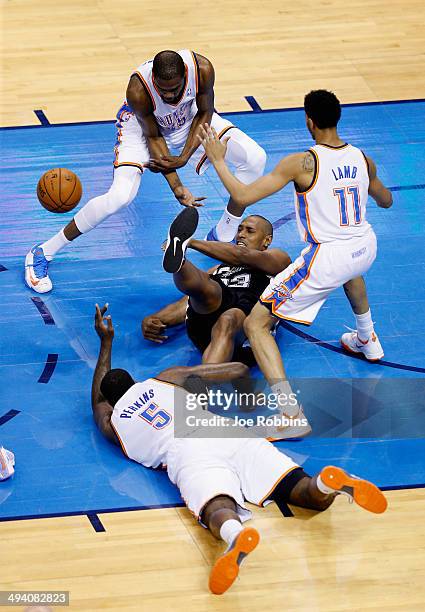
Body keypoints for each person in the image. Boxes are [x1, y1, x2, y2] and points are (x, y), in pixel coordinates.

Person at [92, 303, 388, 595]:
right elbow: (236, 368)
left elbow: (96, 402)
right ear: (135, 381)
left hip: (186, 455)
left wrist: (105, 344)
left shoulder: (114, 424)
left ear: (112, 402)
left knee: (217, 506)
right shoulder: (166, 378)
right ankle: (324, 482)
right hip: (227, 432)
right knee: (306, 493)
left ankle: (235, 535)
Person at [197, 89, 393, 417]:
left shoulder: (302, 162)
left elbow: (243, 195)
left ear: (309, 121)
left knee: (256, 325)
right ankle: (366, 338)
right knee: (351, 268)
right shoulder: (363, 158)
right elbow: (385, 200)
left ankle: (290, 415)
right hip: (366, 247)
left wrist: (218, 158)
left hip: (329, 257)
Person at [24, 49, 266, 294]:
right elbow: (153, 137)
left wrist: (182, 158)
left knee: (255, 158)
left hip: (189, 119)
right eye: (164, 90)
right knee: (120, 197)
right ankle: (43, 252)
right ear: (154, 81)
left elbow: (205, 113)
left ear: (185, 74)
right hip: (141, 129)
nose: (170, 95)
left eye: (175, 89)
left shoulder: (202, 69)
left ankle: (222, 235)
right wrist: (177, 185)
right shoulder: (138, 91)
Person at [142, 207, 291, 366]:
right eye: (239, 229)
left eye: (250, 231)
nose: (241, 234)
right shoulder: (220, 268)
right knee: (206, 287)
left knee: (229, 318)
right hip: (204, 327)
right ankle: (180, 260)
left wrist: (192, 242)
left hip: (243, 336)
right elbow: (187, 301)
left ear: (267, 240)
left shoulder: (279, 259)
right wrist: (156, 319)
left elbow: (241, 255)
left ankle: (205, 379)